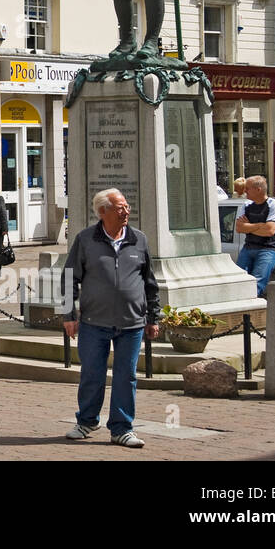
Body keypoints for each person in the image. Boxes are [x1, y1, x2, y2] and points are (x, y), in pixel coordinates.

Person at [61, 189, 160, 448]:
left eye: (126, 206)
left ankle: (121, 428)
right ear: (103, 212)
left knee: (126, 376)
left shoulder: (139, 239)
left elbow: (150, 282)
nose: (126, 211)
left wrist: (153, 317)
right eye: (120, 208)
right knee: (92, 374)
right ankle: (86, 421)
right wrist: (69, 315)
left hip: (132, 323)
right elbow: (68, 278)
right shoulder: (85, 240)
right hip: (94, 322)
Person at [234, 175, 275, 298]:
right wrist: (259, 225)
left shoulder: (274, 205)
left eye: (248, 189)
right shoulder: (246, 205)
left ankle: (250, 313)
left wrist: (248, 227)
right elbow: (239, 228)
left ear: (258, 189)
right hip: (248, 248)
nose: (245, 191)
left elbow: (270, 231)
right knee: (239, 282)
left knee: (256, 285)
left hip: (268, 250)